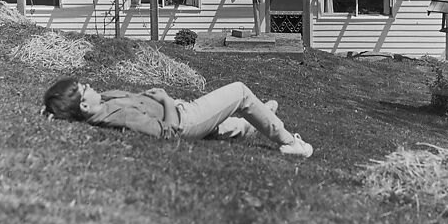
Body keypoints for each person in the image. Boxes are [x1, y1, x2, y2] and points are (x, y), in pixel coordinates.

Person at [42, 76, 313, 157]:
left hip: (182, 109)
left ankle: (260, 116)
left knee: (236, 127)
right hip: (185, 120)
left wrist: (55, 108)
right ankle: (291, 143)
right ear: (85, 108)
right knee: (240, 92)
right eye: (83, 90)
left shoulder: (104, 102)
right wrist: (166, 100)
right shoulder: (119, 116)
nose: (89, 86)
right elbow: (169, 134)